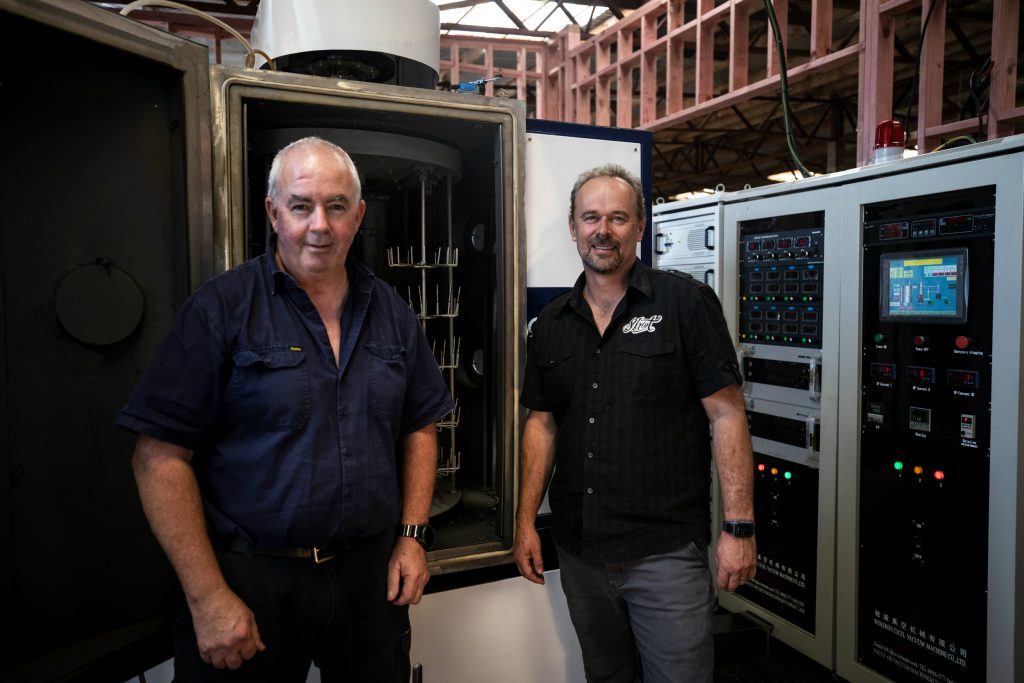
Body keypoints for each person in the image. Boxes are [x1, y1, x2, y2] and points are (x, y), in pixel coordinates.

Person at [116, 137, 452, 681]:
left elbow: (420, 425)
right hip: (251, 583)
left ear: (359, 215)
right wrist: (207, 598)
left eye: (336, 206)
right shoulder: (220, 310)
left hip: (368, 579)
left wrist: (412, 538)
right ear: (274, 213)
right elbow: (157, 457)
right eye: (301, 206)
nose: (319, 225)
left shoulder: (391, 311)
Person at [513, 164, 756, 683]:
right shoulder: (552, 324)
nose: (603, 230)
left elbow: (727, 412)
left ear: (641, 227)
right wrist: (525, 519)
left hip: (664, 555)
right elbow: (542, 424)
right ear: (573, 226)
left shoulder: (684, 303)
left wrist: (739, 527)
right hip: (581, 553)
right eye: (591, 218)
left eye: (618, 218)